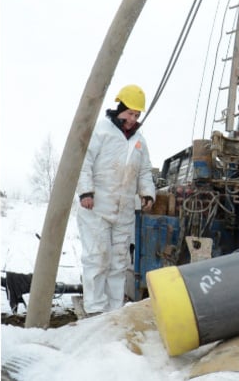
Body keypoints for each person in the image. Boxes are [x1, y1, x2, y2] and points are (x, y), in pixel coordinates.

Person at [76, 84, 156, 315]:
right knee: (97, 258)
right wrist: (86, 192)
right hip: (97, 207)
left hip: (124, 211)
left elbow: (144, 171)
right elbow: (85, 161)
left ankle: (114, 311)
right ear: (119, 108)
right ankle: (94, 310)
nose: (133, 119)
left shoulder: (139, 141)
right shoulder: (100, 131)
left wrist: (147, 193)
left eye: (137, 115)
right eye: (130, 113)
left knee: (119, 262)